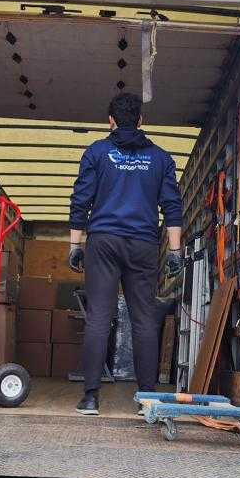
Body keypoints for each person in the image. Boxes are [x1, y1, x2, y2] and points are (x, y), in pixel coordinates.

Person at [68, 92, 183, 415]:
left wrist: (75, 244)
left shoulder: (97, 152)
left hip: (103, 241)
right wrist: (174, 250)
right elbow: (172, 206)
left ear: (110, 120)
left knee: (99, 317)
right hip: (143, 244)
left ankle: (90, 398)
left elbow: (81, 200)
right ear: (141, 121)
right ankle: (148, 397)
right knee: (144, 319)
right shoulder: (161, 159)